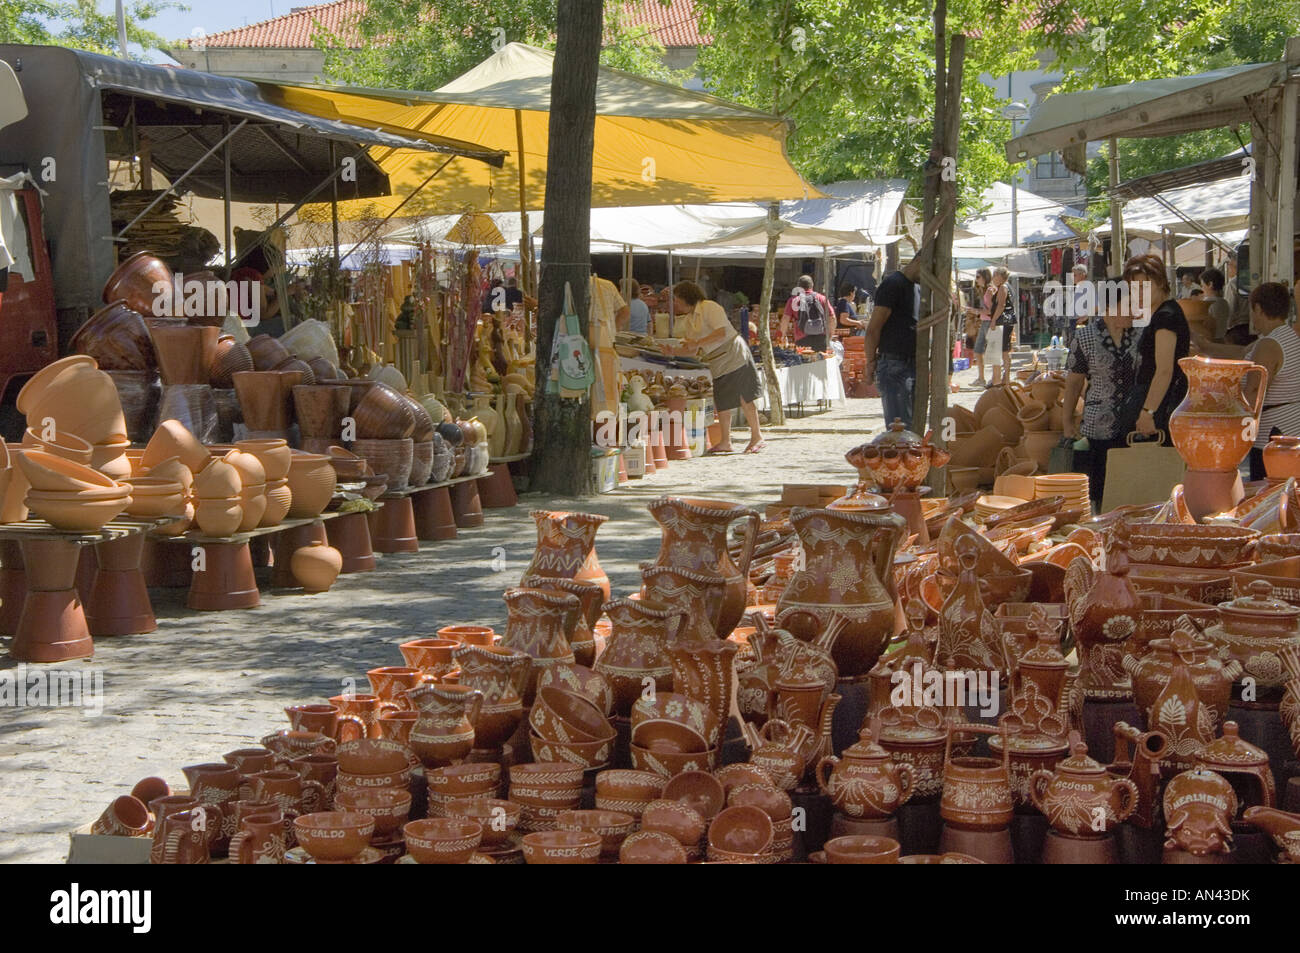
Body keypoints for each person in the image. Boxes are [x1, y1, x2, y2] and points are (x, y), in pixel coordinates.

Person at [1192, 281, 1300, 481]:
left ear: (1258, 308)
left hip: (1274, 435)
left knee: (1269, 491)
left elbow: (1253, 391)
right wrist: (1204, 346)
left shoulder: (1269, 344)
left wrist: (1233, 429)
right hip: (1287, 429)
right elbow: (1242, 352)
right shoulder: (1284, 335)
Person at [1063, 281, 1141, 510]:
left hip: (1133, 425)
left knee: (1129, 487)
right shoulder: (1085, 337)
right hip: (1098, 425)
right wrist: (1067, 421)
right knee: (1098, 487)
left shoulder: (1140, 334)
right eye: (1128, 304)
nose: (1133, 310)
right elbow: (1074, 383)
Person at [664, 280, 765, 453]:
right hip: (717, 360)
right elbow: (694, 351)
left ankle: (757, 436)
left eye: (677, 299)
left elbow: (721, 332)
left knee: (744, 396)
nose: (676, 303)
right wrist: (673, 351)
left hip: (733, 353)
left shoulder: (709, 307)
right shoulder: (689, 320)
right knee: (722, 400)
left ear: (686, 297)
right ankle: (726, 441)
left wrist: (697, 342)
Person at [1127, 253, 1190, 441]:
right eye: (1133, 288)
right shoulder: (1161, 314)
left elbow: (1164, 370)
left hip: (1161, 408)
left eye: (1143, 287)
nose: (1137, 294)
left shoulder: (1166, 316)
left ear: (1160, 282)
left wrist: (1148, 411)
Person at [864, 257, 921, 428]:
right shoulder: (893, 284)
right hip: (894, 364)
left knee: (908, 427)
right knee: (899, 429)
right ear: (919, 263)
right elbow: (873, 329)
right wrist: (870, 363)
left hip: (910, 363)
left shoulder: (917, 288)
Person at [782, 275, 833, 351]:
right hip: (821, 337)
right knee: (820, 360)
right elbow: (832, 318)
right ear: (812, 285)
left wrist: (784, 334)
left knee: (805, 361)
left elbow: (785, 319)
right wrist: (830, 335)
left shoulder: (794, 300)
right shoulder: (822, 298)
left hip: (802, 338)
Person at [987, 267, 1016, 386]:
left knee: (1001, 351)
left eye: (995, 275)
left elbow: (1001, 305)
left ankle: (1002, 379)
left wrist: (993, 320)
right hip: (1007, 321)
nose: (993, 278)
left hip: (1002, 322)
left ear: (1000, 276)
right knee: (1005, 350)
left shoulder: (1003, 287)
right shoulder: (1007, 287)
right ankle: (1005, 378)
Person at [964, 268, 993, 387]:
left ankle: (993, 378)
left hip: (990, 323)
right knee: (978, 350)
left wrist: (976, 311)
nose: (976, 280)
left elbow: (991, 311)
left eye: (978, 277)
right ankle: (981, 378)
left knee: (990, 351)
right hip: (984, 322)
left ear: (984, 277)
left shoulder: (990, 290)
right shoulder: (983, 290)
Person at [1199, 267, 1231, 341]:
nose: (1202, 288)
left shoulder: (1206, 304)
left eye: (1202, 285)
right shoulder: (1224, 303)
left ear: (1210, 284)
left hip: (1209, 342)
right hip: (1222, 341)